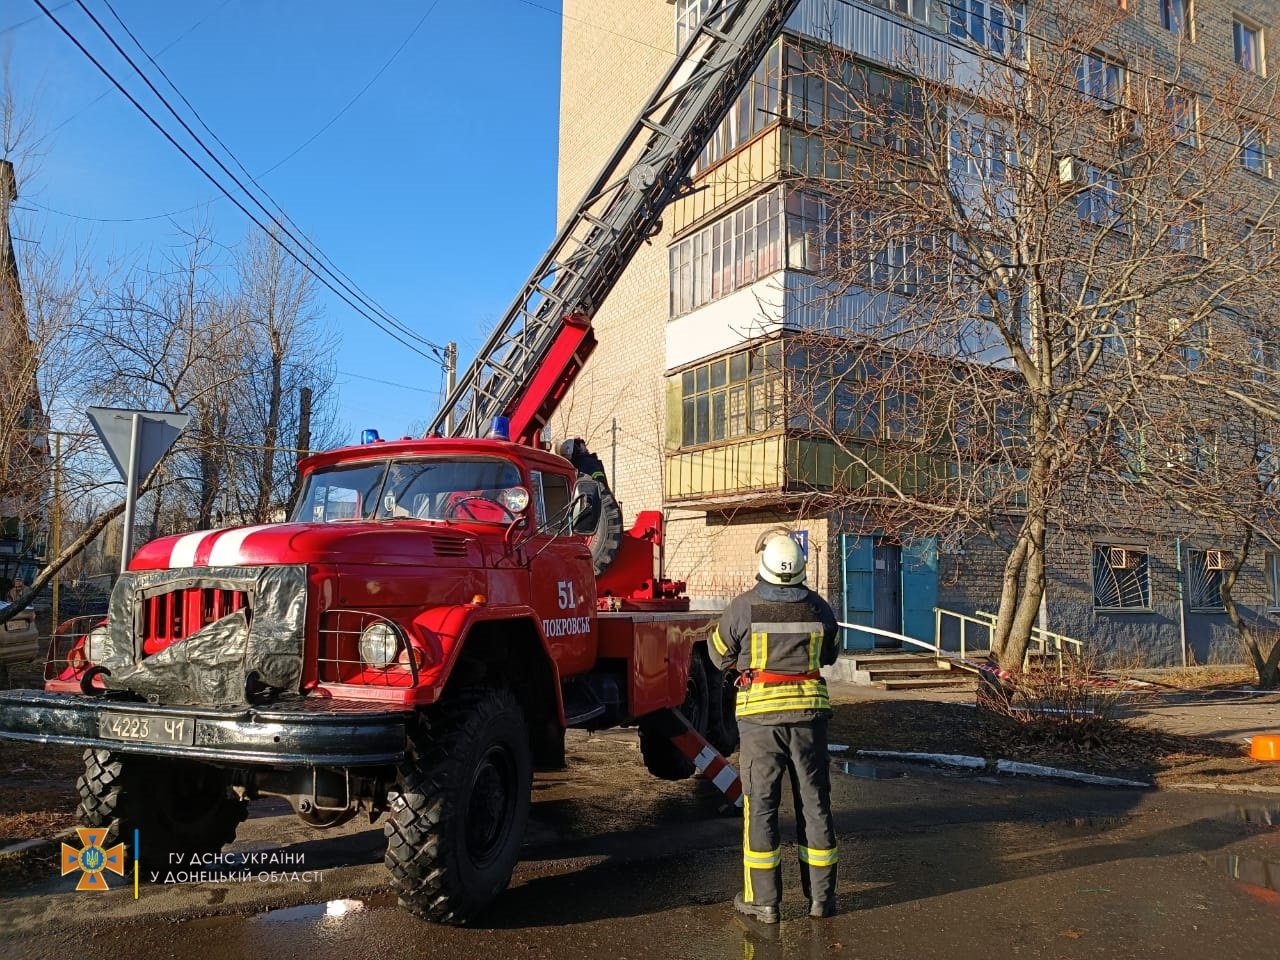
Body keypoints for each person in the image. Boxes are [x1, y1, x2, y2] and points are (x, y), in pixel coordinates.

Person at [710, 531, 840, 924]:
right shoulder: (819, 608)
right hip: (809, 722)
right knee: (815, 804)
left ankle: (764, 902)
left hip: (760, 724)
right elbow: (831, 655)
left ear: (764, 565)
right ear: (800, 568)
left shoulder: (743, 607)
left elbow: (718, 655)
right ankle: (821, 900)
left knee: (762, 807)